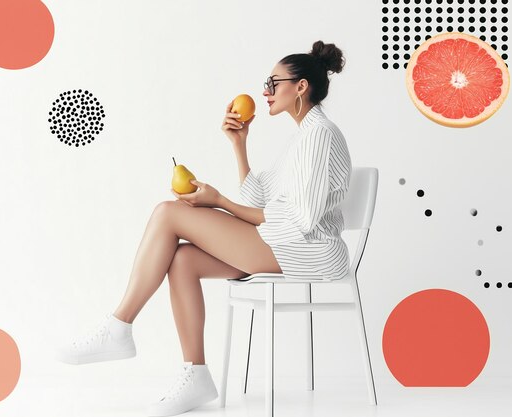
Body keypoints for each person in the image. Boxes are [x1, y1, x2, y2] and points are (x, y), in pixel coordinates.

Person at [56, 40, 351, 417]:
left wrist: (220, 202)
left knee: (168, 213)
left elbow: (300, 219)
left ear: (301, 87)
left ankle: (119, 326)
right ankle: (195, 374)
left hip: (309, 251)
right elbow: (260, 202)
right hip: (286, 243)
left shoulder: (319, 136)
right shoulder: (302, 138)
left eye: (273, 83)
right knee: (182, 260)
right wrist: (239, 144)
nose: (265, 92)